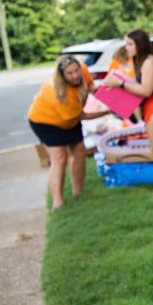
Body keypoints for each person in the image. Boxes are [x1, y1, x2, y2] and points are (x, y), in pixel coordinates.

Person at [102, 29, 153, 201]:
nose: (127, 48)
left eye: (130, 44)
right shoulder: (145, 61)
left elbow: (146, 90)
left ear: (140, 44)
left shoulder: (148, 63)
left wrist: (120, 83)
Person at [27, 55, 109, 209]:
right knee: (60, 158)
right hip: (45, 121)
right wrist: (108, 111)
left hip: (70, 120)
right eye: (70, 74)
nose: (76, 75)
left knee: (79, 151)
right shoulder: (59, 93)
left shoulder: (82, 71)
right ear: (62, 76)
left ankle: (78, 193)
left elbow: (90, 87)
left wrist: (109, 97)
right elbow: (82, 116)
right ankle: (58, 203)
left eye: (76, 70)